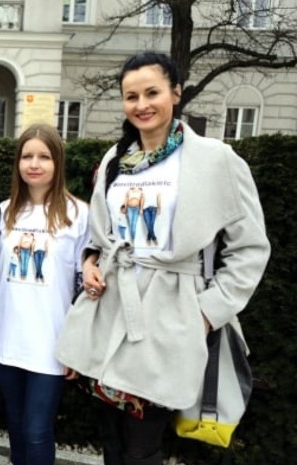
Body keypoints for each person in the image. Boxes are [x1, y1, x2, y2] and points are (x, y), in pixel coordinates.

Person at [55, 52, 271, 465]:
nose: (142, 105)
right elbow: (100, 235)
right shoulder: (115, 159)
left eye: (152, 93)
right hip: (111, 313)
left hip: (171, 317)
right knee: (111, 437)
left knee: (143, 445)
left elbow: (250, 247)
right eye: (131, 96)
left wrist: (206, 313)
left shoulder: (215, 159)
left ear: (175, 92)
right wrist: (90, 263)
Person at [0, 123, 89, 465]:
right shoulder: (3, 212)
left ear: (58, 162)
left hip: (51, 344)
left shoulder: (78, 215)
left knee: (37, 429)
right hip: (7, 339)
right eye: (27, 156)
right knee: (15, 424)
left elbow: (84, 288)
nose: (34, 164)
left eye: (44, 156)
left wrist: (75, 345)